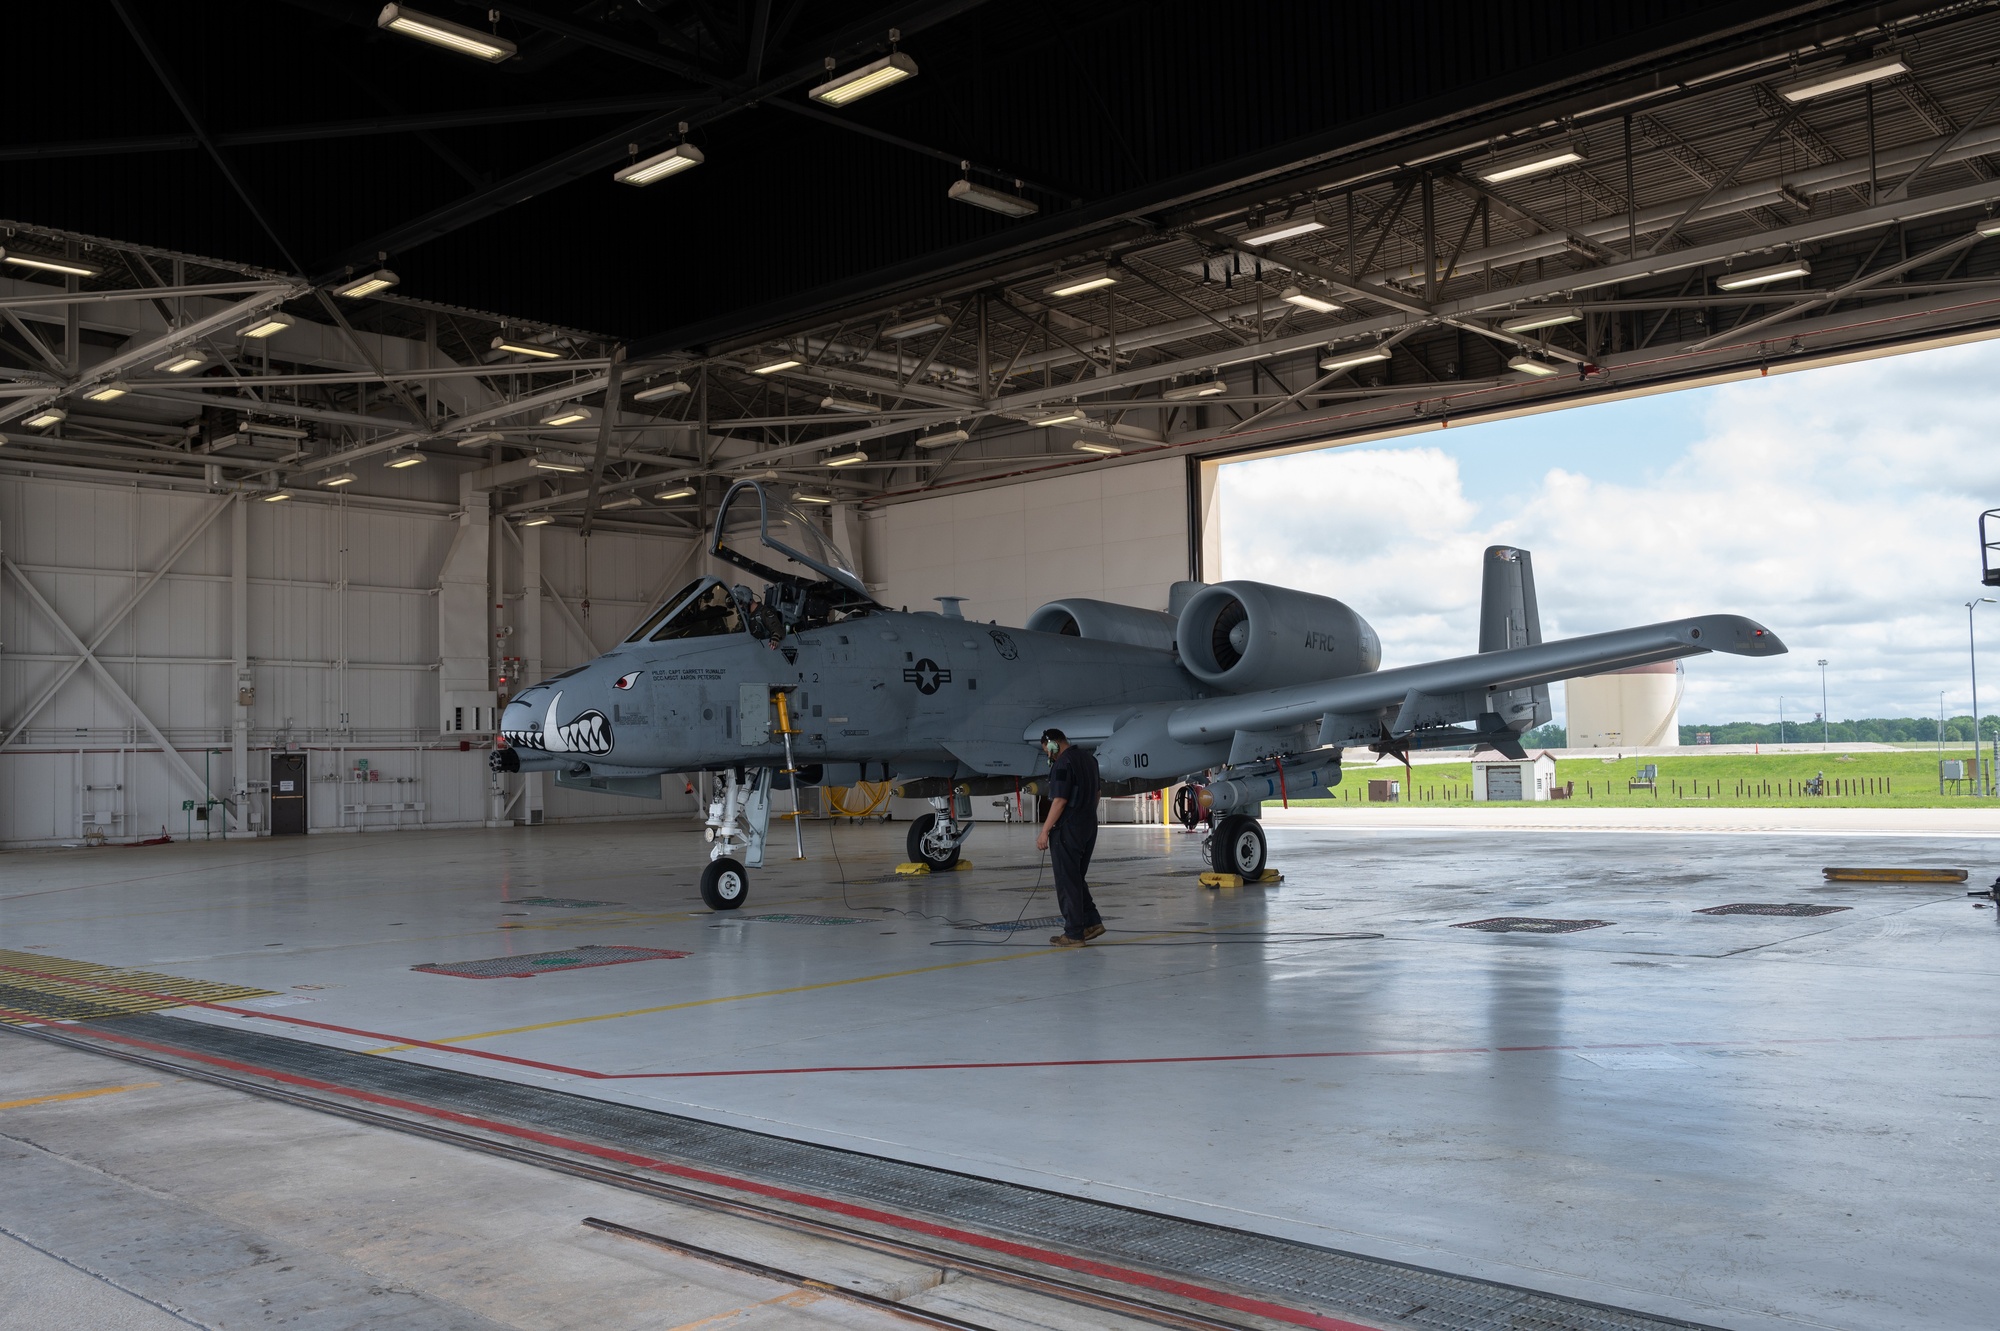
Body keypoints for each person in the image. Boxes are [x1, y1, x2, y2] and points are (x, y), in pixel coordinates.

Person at [1035, 728, 1103, 947]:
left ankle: (1074, 934)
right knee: (1076, 877)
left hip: (1068, 828)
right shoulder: (1089, 759)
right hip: (1089, 825)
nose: (1049, 756)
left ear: (1054, 743)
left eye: (1048, 750)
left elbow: (1060, 800)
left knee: (1067, 880)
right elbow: (1098, 793)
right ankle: (1091, 923)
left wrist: (1045, 830)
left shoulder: (1064, 763)